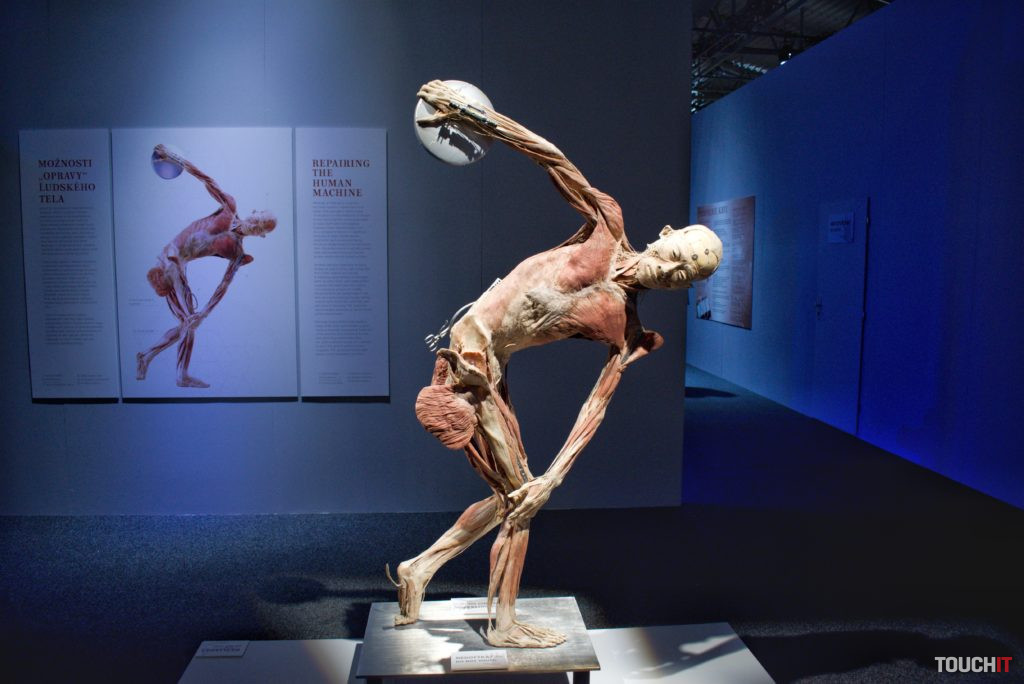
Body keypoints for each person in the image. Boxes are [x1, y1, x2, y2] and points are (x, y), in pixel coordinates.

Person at [390, 81, 723, 648]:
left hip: (489, 366)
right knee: (520, 502)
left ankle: (419, 570)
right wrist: (473, 114)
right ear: (665, 235)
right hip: (470, 354)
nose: (672, 271)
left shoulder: (626, 329)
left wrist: (556, 476)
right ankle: (501, 624)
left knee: (517, 494)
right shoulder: (607, 225)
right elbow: (549, 156)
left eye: (686, 275)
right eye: (679, 256)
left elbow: (595, 407)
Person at [136, 145, 276, 388]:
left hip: (179, 267)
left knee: (188, 323)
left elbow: (223, 285)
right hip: (171, 257)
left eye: (262, 227)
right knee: (188, 322)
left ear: (261, 235)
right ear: (254, 212)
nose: (257, 224)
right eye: (260, 218)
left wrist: (205, 314)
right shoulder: (229, 207)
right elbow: (206, 179)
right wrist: (174, 157)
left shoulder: (237, 252)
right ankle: (177, 373)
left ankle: (148, 357)